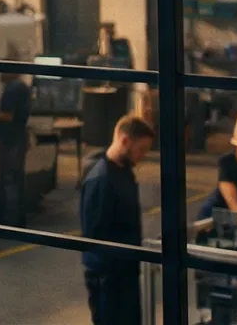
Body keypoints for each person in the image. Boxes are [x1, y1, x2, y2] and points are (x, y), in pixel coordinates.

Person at [79, 115, 154, 325]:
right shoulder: (101, 178)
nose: (143, 155)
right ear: (124, 141)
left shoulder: (123, 170)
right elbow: (94, 234)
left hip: (124, 271)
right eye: (141, 149)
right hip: (109, 277)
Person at [0, 70, 32, 226]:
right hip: (20, 137)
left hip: (10, 140)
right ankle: (20, 219)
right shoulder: (23, 87)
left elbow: (8, 116)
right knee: (18, 180)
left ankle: (11, 221)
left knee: (9, 180)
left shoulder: (11, 90)